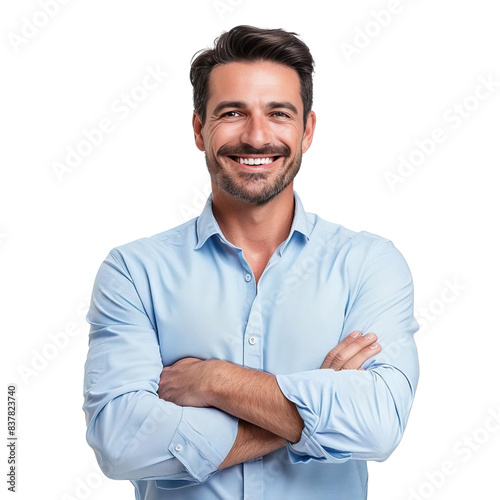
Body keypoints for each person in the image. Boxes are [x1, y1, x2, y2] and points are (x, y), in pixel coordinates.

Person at [83, 25, 419, 500]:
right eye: (232, 113)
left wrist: (213, 381)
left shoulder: (369, 265)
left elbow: (379, 425)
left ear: (308, 130)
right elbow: (121, 443)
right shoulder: (134, 272)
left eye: (279, 113)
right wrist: (318, 406)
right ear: (200, 129)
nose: (257, 136)